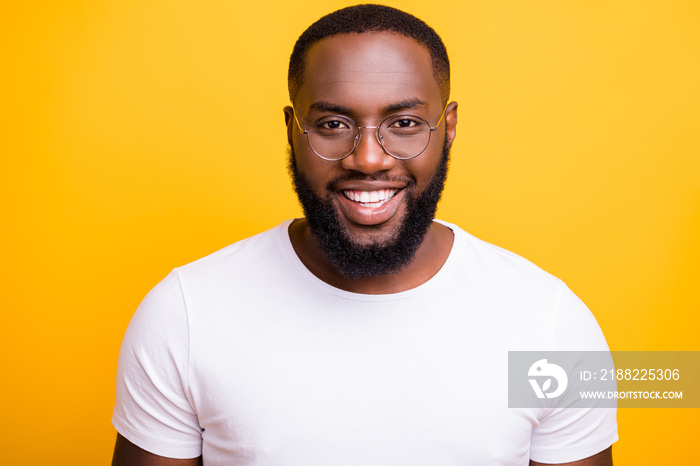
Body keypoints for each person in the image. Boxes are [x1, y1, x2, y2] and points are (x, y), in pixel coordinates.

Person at [112, 5, 617, 465]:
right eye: (333, 123)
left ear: (449, 125)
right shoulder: (184, 313)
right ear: (293, 129)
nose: (369, 158)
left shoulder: (551, 324)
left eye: (404, 122)